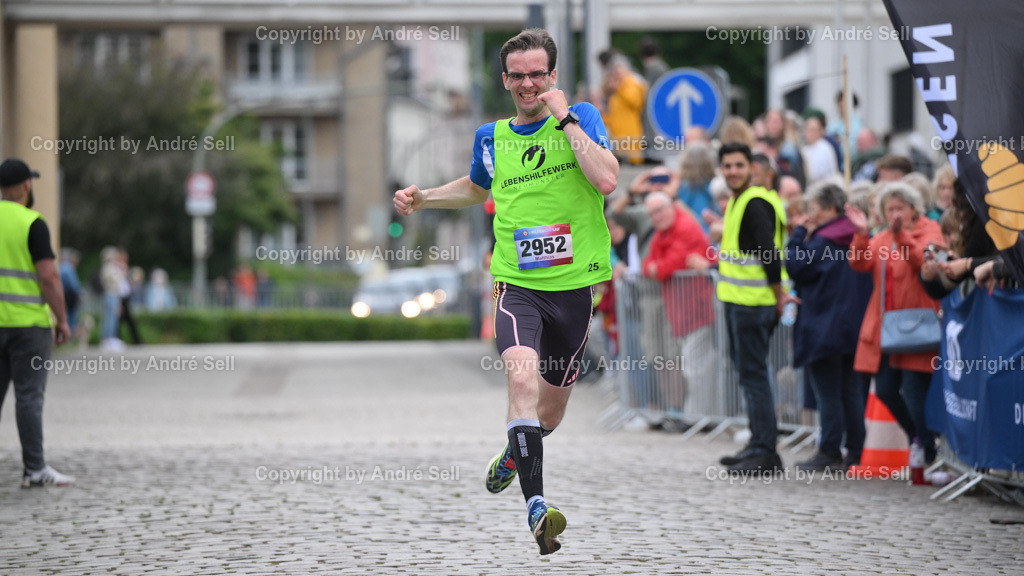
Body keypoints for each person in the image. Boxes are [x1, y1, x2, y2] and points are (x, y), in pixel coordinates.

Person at [393, 28, 617, 555]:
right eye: (517, 75)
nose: (528, 84)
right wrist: (425, 197)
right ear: (505, 79)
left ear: (553, 76)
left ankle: (516, 453)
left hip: (574, 287)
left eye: (537, 73)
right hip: (516, 283)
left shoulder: (580, 117)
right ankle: (537, 507)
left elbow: (607, 181)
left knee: (550, 414)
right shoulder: (491, 136)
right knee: (520, 376)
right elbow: (476, 186)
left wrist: (566, 119)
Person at [846, 182, 943, 464]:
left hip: (916, 327)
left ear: (914, 209)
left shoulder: (929, 230)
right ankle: (921, 439)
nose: (895, 214)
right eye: (890, 209)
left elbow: (924, 264)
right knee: (886, 390)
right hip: (886, 331)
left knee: (913, 390)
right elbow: (860, 263)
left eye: (900, 208)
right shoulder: (883, 236)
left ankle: (927, 447)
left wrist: (902, 235)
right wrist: (862, 234)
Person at [715, 143, 798, 472]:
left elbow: (769, 254)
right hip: (740, 303)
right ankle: (757, 444)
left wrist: (778, 296)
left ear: (751, 167)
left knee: (755, 377)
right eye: (727, 166)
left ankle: (765, 450)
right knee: (750, 376)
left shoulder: (754, 203)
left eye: (738, 165)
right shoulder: (739, 201)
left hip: (754, 305)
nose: (732, 171)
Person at [786, 181, 872, 470]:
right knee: (849, 390)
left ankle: (830, 450)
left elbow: (796, 267)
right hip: (851, 326)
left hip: (824, 325)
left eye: (815, 209)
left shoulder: (824, 240)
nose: (811, 215)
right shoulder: (855, 235)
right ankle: (857, 450)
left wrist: (799, 234)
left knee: (828, 392)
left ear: (830, 209)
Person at [0, 158, 73, 487]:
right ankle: (34, 469)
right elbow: (48, 276)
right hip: (29, 326)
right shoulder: (33, 223)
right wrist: (62, 319)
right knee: (28, 397)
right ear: (27, 186)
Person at [641, 192, 716, 418]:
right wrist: (655, 268)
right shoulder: (664, 232)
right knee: (694, 365)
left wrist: (657, 268)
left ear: (671, 206)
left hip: (699, 308)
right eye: (652, 214)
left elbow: (665, 268)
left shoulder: (685, 227)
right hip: (684, 311)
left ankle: (696, 418)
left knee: (696, 367)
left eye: (660, 210)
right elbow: (647, 265)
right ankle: (693, 416)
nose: (656, 217)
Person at [599, 52, 646, 165]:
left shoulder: (631, 82)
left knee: (633, 162)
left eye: (618, 70)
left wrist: (619, 88)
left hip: (630, 133)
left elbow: (636, 102)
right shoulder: (617, 86)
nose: (616, 73)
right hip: (619, 134)